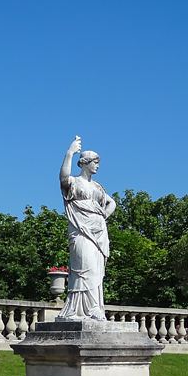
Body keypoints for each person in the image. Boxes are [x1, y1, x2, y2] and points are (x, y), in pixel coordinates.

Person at [57, 135, 116, 320]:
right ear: (85, 163)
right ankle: (81, 309)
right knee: (84, 267)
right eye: (95, 162)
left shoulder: (98, 186)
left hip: (98, 232)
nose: (97, 166)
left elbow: (111, 202)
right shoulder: (74, 182)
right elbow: (63, 178)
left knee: (96, 271)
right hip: (80, 230)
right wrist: (69, 153)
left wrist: (103, 215)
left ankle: (95, 307)